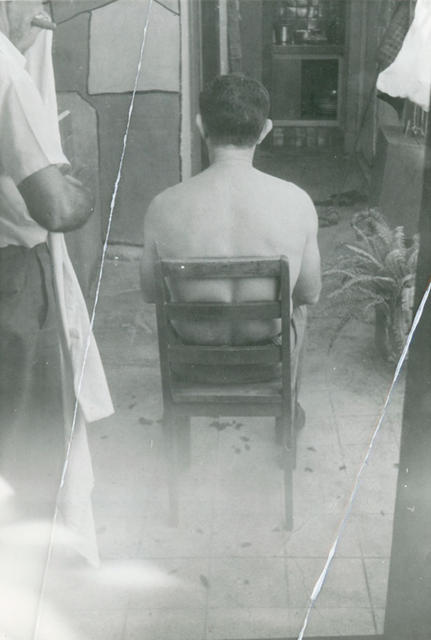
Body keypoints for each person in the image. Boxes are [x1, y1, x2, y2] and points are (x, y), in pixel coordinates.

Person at [0, 2, 113, 565]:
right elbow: (56, 209)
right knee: (29, 437)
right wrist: (76, 186)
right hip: (12, 277)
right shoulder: (6, 73)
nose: (42, 13)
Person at [140, 74, 321, 421]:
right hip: (268, 365)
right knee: (299, 309)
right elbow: (310, 294)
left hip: (192, 362)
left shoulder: (163, 206)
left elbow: (150, 294)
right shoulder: (296, 202)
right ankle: (288, 407)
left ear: (200, 125)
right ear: (265, 130)